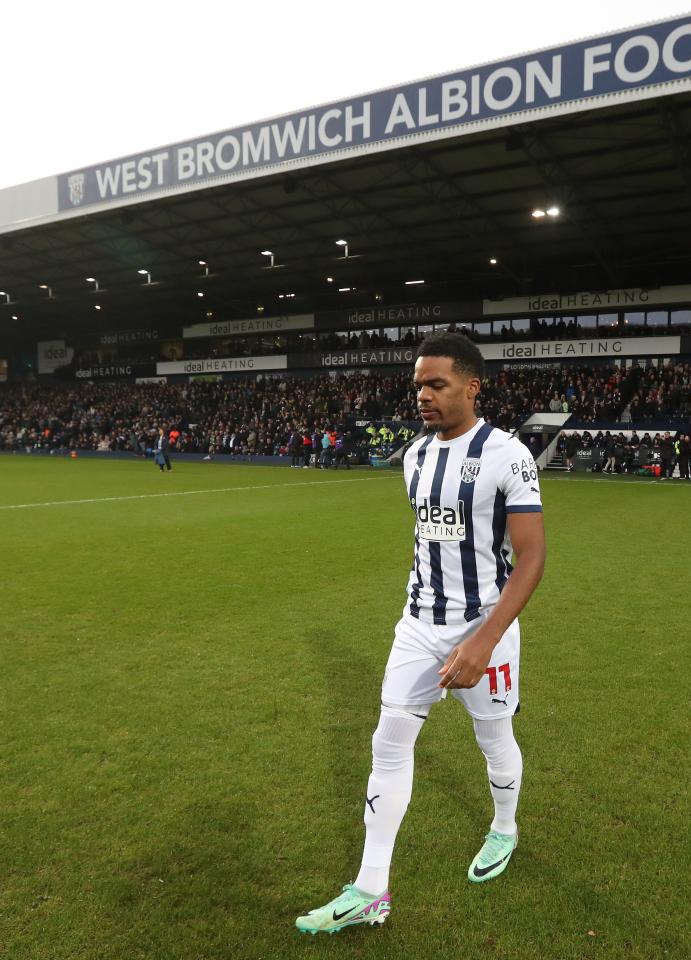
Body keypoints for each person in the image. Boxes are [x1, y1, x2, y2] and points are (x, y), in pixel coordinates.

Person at [295, 332, 546, 935]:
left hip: (485, 629)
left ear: (472, 385)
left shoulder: (508, 455)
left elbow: (531, 559)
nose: (424, 396)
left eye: (436, 384)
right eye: (418, 386)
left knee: (493, 740)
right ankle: (371, 887)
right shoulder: (413, 457)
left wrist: (482, 641)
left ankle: (504, 828)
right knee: (388, 743)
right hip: (417, 624)